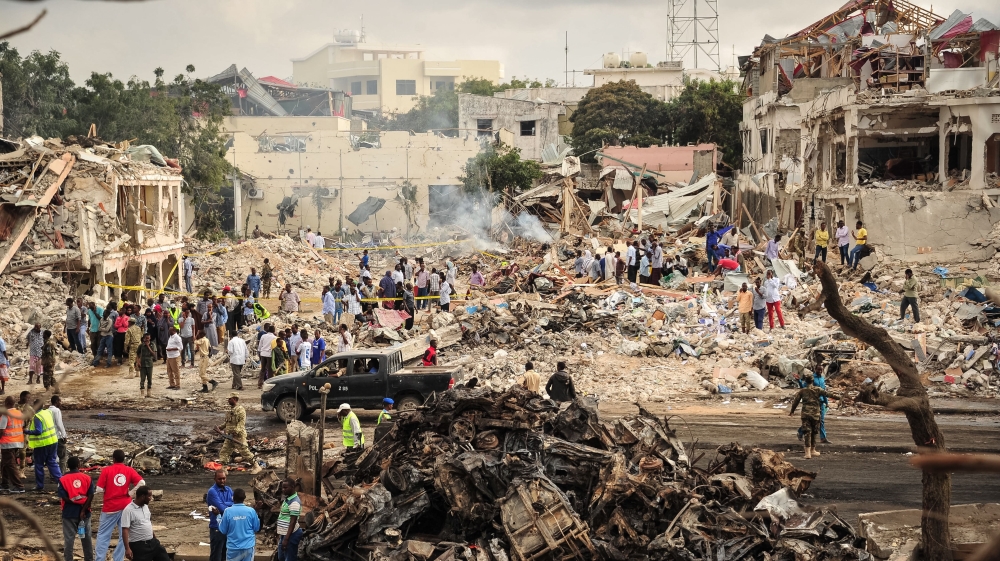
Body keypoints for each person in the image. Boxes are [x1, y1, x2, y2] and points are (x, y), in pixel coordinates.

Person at [94, 449, 145, 561]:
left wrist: (108, 490)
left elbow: (99, 489)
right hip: (126, 506)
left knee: (103, 535)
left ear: (113, 459)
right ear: (123, 459)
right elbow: (142, 483)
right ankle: (118, 558)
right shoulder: (129, 470)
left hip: (110, 507)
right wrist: (131, 493)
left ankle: (100, 559)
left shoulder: (107, 470)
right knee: (124, 535)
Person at [788, 373, 840, 459]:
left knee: (807, 432)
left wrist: (792, 411)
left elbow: (795, 402)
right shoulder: (818, 389)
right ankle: (813, 450)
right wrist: (840, 397)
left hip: (805, 414)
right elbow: (828, 394)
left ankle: (807, 453)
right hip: (815, 414)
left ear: (805, 381)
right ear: (812, 381)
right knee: (814, 432)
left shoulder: (802, 391)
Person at [59, 456, 95, 561]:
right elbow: (91, 495)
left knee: (69, 540)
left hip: (69, 513)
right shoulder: (87, 478)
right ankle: (89, 559)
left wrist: (74, 502)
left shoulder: (62, 479)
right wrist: (83, 509)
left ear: (68, 466)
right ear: (79, 465)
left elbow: (64, 497)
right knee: (86, 538)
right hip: (84, 514)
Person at [121, 486, 170, 561]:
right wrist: (127, 549)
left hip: (152, 543)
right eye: (149, 496)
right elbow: (125, 530)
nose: (151, 498)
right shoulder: (128, 510)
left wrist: (155, 539)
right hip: (139, 546)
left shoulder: (145, 507)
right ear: (143, 496)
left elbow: (148, 523)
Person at [24, 402, 62, 490]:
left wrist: (27, 431)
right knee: (52, 463)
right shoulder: (48, 412)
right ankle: (62, 483)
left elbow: (38, 431)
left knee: (39, 465)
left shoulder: (37, 417)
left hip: (42, 444)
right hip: (53, 441)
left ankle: (40, 485)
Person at [218, 488, 260, 561]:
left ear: (233, 498)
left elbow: (223, 530)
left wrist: (218, 516)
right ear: (244, 498)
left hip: (233, 548)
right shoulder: (251, 511)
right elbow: (256, 528)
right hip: (248, 547)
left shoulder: (228, 511)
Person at [218, 394, 254, 464]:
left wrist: (236, 431)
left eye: (230, 399)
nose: (228, 400)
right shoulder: (230, 410)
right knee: (224, 451)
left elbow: (241, 423)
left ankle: (256, 465)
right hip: (229, 436)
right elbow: (227, 422)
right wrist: (220, 427)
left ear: (235, 399)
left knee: (245, 452)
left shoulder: (240, 410)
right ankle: (223, 466)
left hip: (238, 436)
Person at [796, 371, 831, 445]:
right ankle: (801, 431)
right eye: (819, 370)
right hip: (814, 402)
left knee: (821, 420)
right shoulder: (811, 378)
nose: (820, 371)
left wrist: (826, 402)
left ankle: (823, 438)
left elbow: (824, 392)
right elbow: (804, 387)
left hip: (821, 402)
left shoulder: (822, 379)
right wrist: (799, 381)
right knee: (811, 420)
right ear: (816, 369)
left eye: (821, 370)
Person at [206, 469, 233, 561]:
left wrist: (223, 503)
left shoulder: (229, 490)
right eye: (219, 479)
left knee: (225, 556)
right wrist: (229, 504)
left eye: (224, 478)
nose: (222, 481)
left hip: (227, 528)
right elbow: (222, 509)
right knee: (216, 556)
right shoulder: (212, 491)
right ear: (215, 479)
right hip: (217, 528)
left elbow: (234, 505)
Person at [0, 395, 25, 493]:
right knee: (4, 463)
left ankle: (19, 486)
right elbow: (22, 425)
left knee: (10, 464)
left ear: (6, 403)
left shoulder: (6, 414)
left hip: (7, 443)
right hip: (17, 442)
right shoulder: (19, 413)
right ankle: (4, 484)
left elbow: (2, 430)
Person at [276, 478, 303, 561]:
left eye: (285, 487)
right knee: (281, 557)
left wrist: (286, 539)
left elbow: (293, 521)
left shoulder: (294, 502)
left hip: (291, 534)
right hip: (285, 534)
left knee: (289, 558)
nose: (283, 490)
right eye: (282, 488)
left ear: (292, 487)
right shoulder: (288, 499)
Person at [47, 395, 69, 473]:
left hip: (49, 437)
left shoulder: (47, 410)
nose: (60, 403)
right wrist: (64, 435)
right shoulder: (56, 410)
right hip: (57, 437)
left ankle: (52, 474)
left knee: (52, 457)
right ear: (56, 401)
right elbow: (59, 424)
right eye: (60, 401)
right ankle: (61, 474)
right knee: (62, 457)